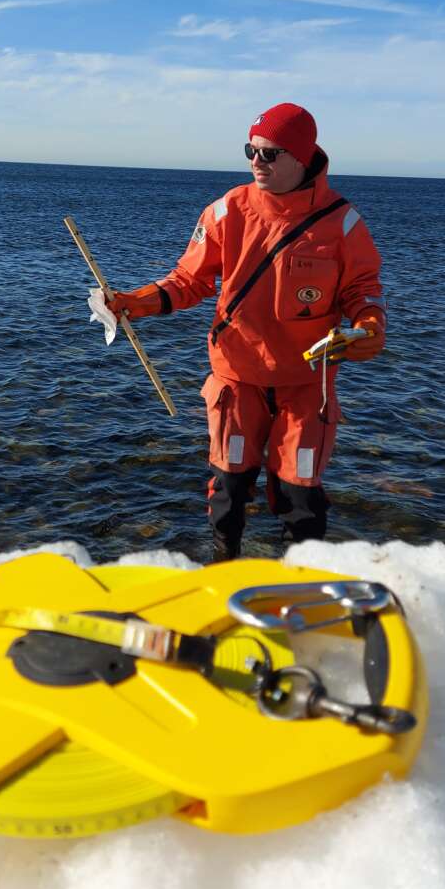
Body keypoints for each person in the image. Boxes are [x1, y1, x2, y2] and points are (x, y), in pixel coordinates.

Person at [108, 102, 386, 560]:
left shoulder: (343, 223)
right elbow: (187, 281)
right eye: (251, 151)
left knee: (299, 493)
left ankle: (300, 584)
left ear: (302, 156)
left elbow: (363, 290)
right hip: (237, 378)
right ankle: (223, 572)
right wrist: (132, 304)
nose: (257, 161)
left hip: (304, 383)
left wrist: (368, 326)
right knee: (229, 488)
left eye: (270, 153)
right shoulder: (226, 212)